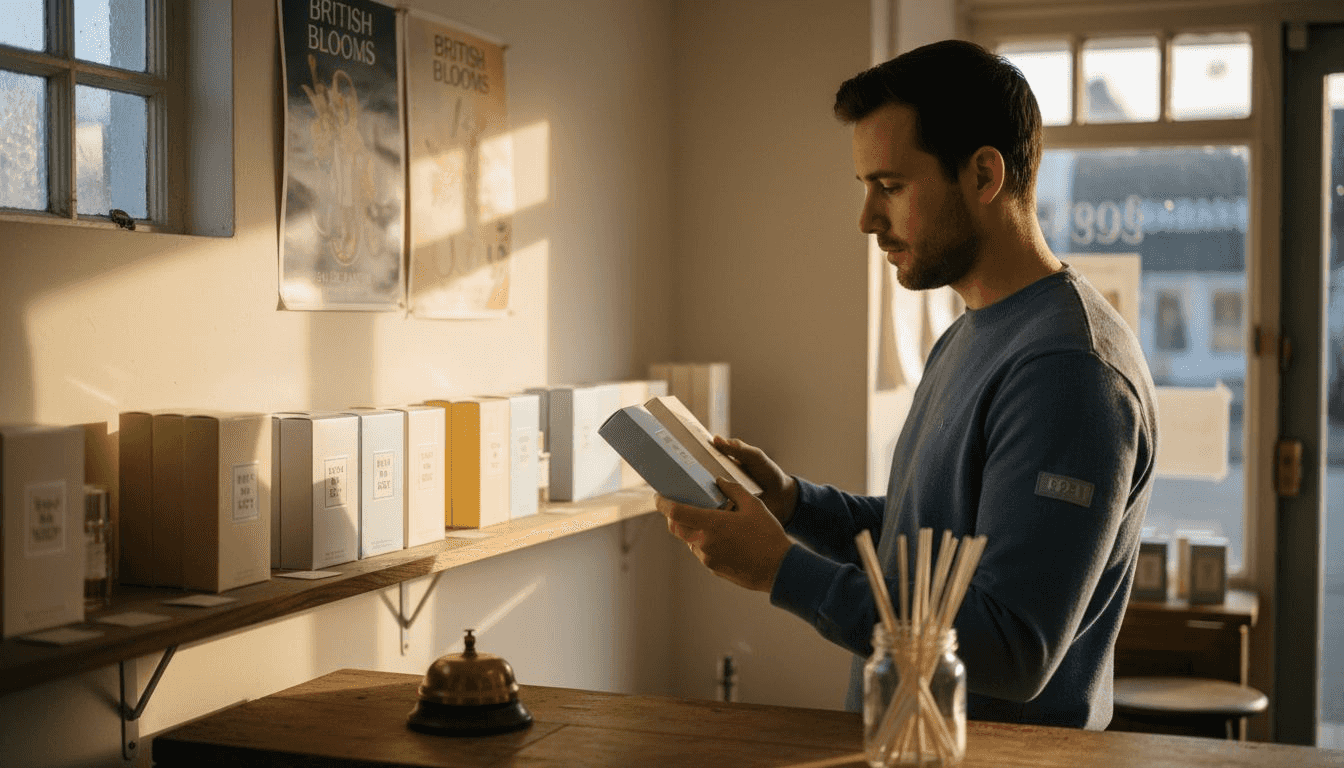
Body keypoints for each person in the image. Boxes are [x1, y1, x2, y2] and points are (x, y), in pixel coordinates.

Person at [656, 39, 1158, 731]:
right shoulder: (969, 333)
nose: (867, 219)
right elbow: (931, 542)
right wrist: (795, 504)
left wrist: (781, 570)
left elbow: (1013, 645)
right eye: (865, 188)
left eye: (890, 187)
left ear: (983, 175)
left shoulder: (1070, 370)